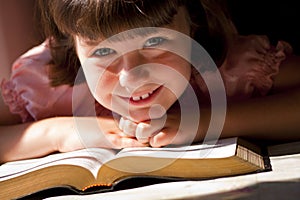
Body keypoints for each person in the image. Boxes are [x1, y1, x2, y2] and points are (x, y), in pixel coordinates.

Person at [0, 0, 299, 163]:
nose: (132, 77)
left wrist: (204, 123)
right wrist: (56, 133)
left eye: (155, 41)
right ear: (72, 49)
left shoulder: (228, 68)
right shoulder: (47, 85)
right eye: (103, 51)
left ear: (192, 24)